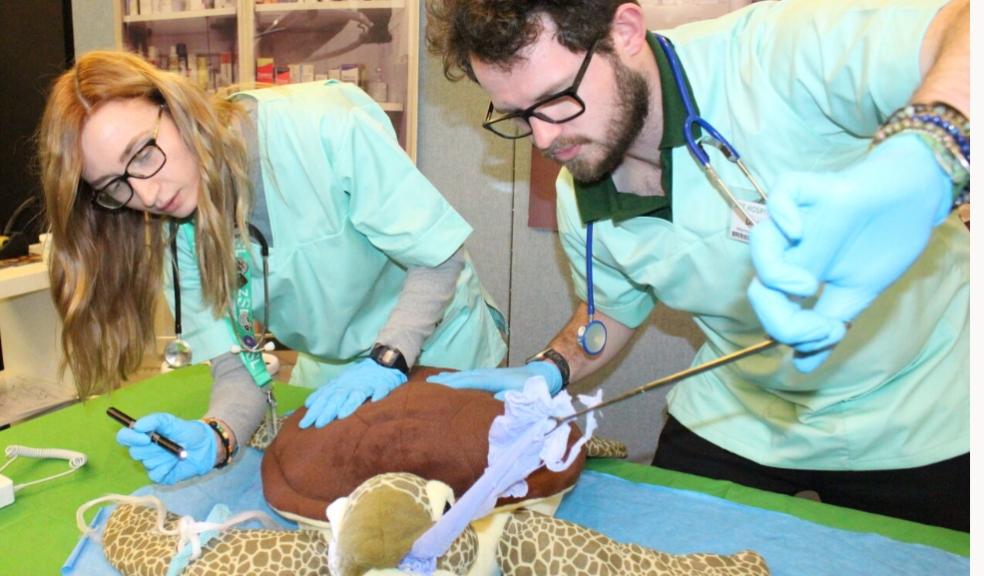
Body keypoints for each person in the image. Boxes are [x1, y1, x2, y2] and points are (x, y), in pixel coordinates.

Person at [423, 0, 969, 530]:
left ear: (626, 31)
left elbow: (969, 25)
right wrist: (551, 367)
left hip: (924, 409)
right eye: (519, 116)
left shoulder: (775, 52)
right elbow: (611, 311)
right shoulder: (580, 187)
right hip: (743, 412)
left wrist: (930, 154)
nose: (544, 138)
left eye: (557, 99)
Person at [37, 51, 507, 485]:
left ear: (176, 104)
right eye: (114, 187)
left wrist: (388, 359)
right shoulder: (174, 230)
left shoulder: (322, 128)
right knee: (327, 490)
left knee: (453, 487)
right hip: (334, 369)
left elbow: (439, 256)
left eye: (141, 154)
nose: (147, 195)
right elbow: (237, 369)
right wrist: (217, 435)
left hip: (441, 344)